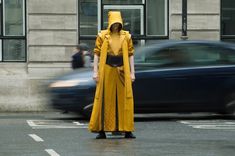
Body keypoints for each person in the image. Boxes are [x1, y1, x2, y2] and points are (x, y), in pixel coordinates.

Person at [88, 11, 136, 139]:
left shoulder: (126, 36)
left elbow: (131, 55)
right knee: (104, 99)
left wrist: (132, 72)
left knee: (125, 99)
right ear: (110, 23)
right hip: (107, 70)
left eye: (118, 24)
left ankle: (127, 129)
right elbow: (96, 53)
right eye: (114, 24)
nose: (116, 26)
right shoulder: (103, 36)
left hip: (122, 70)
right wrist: (95, 71)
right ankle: (101, 129)